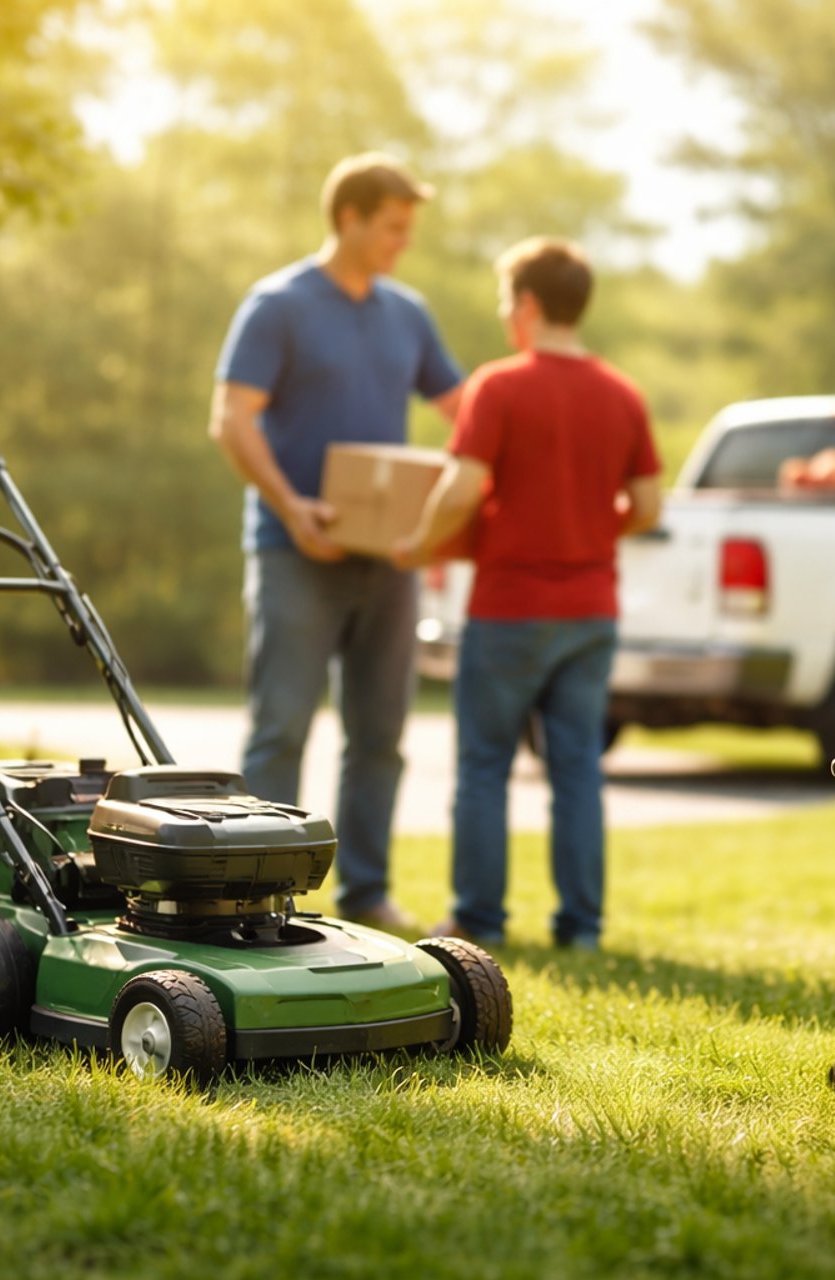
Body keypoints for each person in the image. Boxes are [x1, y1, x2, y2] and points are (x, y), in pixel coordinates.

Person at [209, 153, 463, 931]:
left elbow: (465, 412)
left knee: (381, 733)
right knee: (282, 724)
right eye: (392, 227)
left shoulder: (407, 313)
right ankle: (250, 891)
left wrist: (450, 513)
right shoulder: (278, 305)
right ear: (348, 219)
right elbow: (231, 419)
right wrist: (292, 509)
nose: (402, 243)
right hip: (296, 552)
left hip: (388, 562)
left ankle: (365, 892)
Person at [394, 237, 662, 949]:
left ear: (531, 304)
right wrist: (589, 530)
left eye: (507, 301)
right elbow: (648, 504)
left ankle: (480, 919)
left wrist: (419, 545)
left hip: (511, 609)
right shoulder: (622, 393)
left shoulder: (500, 385)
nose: (505, 315)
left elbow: (462, 487)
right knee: (577, 770)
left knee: (485, 766)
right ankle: (582, 928)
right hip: (591, 612)